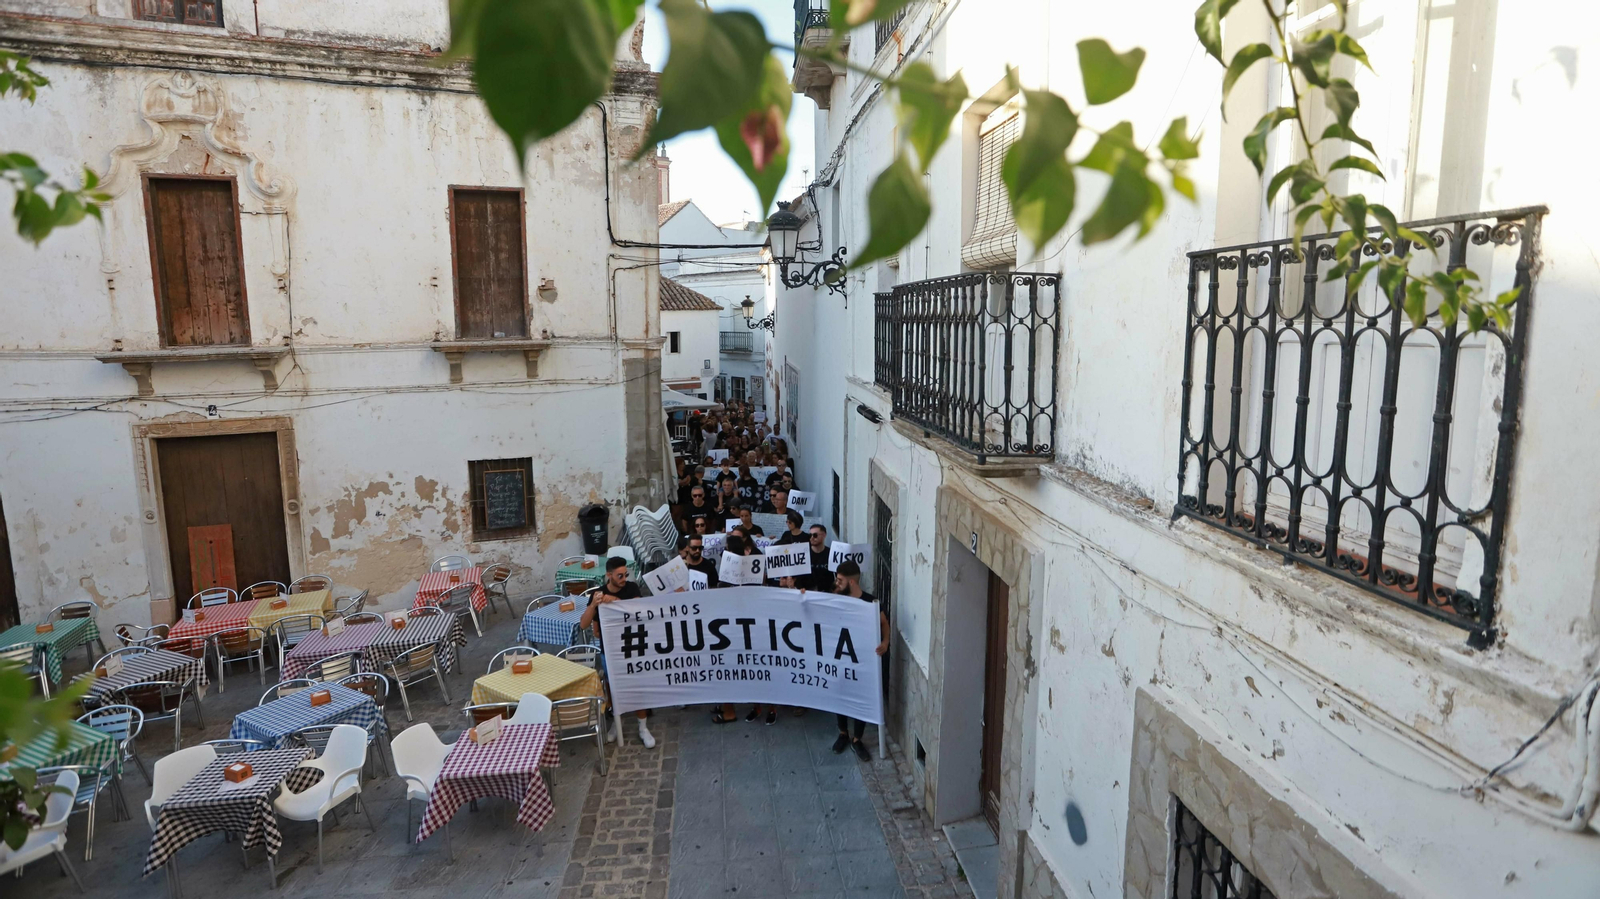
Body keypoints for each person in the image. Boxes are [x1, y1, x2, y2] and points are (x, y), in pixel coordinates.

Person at [578, 557, 658, 749]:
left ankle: (642, 727)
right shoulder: (598, 594)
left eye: (625, 574)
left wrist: (613, 601)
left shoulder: (631, 588)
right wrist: (593, 605)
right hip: (610, 650)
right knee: (612, 689)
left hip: (632, 646)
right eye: (619, 575)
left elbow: (637, 610)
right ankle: (617, 723)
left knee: (637, 686)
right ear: (609, 575)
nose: (623, 578)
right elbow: (583, 624)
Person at [831, 560, 888, 761]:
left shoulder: (871, 603)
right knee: (840, 695)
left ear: (852, 582)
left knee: (861, 697)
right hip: (840, 658)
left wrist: (886, 642)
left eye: (839, 580)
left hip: (862, 661)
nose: (836, 583)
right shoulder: (835, 598)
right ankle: (843, 733)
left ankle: (857, 739)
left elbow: (884, 623)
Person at [805, 524, 833, 592]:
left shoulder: (831, 553)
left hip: (828, 593)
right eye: (810, 535)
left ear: (824, 535)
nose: (811, 538)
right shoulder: (804, 554)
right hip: (808, 593)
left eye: (815, 535)